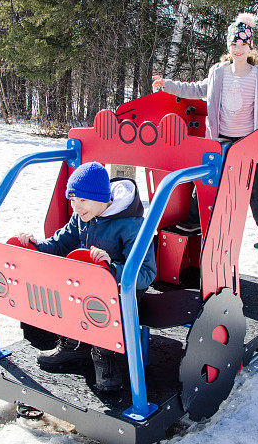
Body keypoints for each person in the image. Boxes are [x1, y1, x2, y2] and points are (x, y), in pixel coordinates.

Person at [152, 12, 258, 246]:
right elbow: (196, 89)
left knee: (257, 187)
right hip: (220, 139)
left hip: (248, 141)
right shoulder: (218, 72)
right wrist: (168, 85)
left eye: (243, 44)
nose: (238, 49)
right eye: (234, 44)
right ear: (228, 46)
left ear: (250, 47)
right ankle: (195, 219)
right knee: (206, 177)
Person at [12, 161, 156, 394]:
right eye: (73, 201)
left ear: (101, 198)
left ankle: (104, 354)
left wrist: (112, 269)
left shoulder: (131, 225)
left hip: (122, 289)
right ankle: (72, 345)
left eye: (82, 201)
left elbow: (146, 274)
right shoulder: (83, 217)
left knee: (103, 306)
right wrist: (36, 245)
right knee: (66, 288)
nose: (76, 207)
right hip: (88, 281)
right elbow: (61, 243)